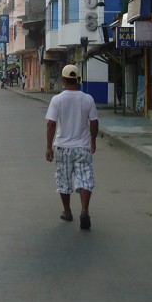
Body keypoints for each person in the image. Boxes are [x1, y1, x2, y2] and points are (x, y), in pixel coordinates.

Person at [45, 65, 99, 230]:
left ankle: (67, 211)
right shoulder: (88, 99)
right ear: (78, 80)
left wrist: (48, 147)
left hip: (63, 148)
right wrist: (93, 141)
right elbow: (94, 122)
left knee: (64, 180)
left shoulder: (57, 100)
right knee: (85, 179)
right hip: (82, 147)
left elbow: (51, 125)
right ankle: (84, 210)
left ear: (63, 80)